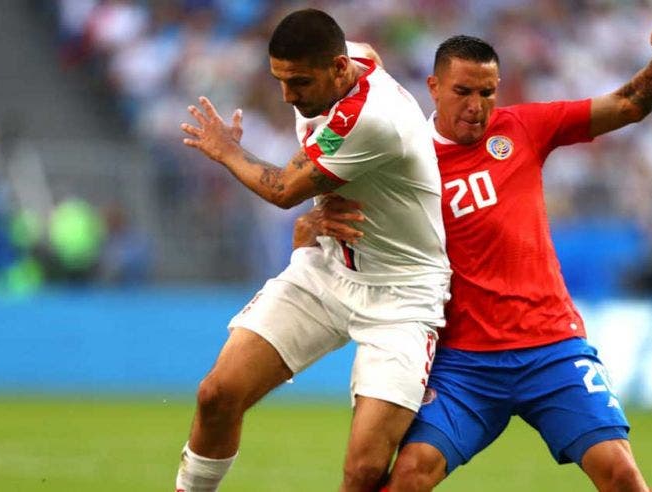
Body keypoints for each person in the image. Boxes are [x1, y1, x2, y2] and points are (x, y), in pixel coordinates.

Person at [295, 12, 652, 492]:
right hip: (462, 362)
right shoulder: (399, 159)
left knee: (621, 473)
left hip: (551, 349)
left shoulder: (523, 128)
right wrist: (311, 224)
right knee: (409, 476)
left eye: (487, 92)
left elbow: (629, 104)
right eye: (463, 91)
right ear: (433, 87)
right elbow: (322, 228)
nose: (476, 106)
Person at [174, 9, 451, 492]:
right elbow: (368, 62)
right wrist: (321, 208)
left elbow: (283, 188)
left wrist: (227, 150)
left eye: (299, 81)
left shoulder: (374, 119)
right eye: (279, 79)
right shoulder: (354, 61)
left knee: (364, 472)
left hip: (401, 297)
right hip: (328, 267)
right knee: (218, 394)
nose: (287, 95)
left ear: (338, 70)